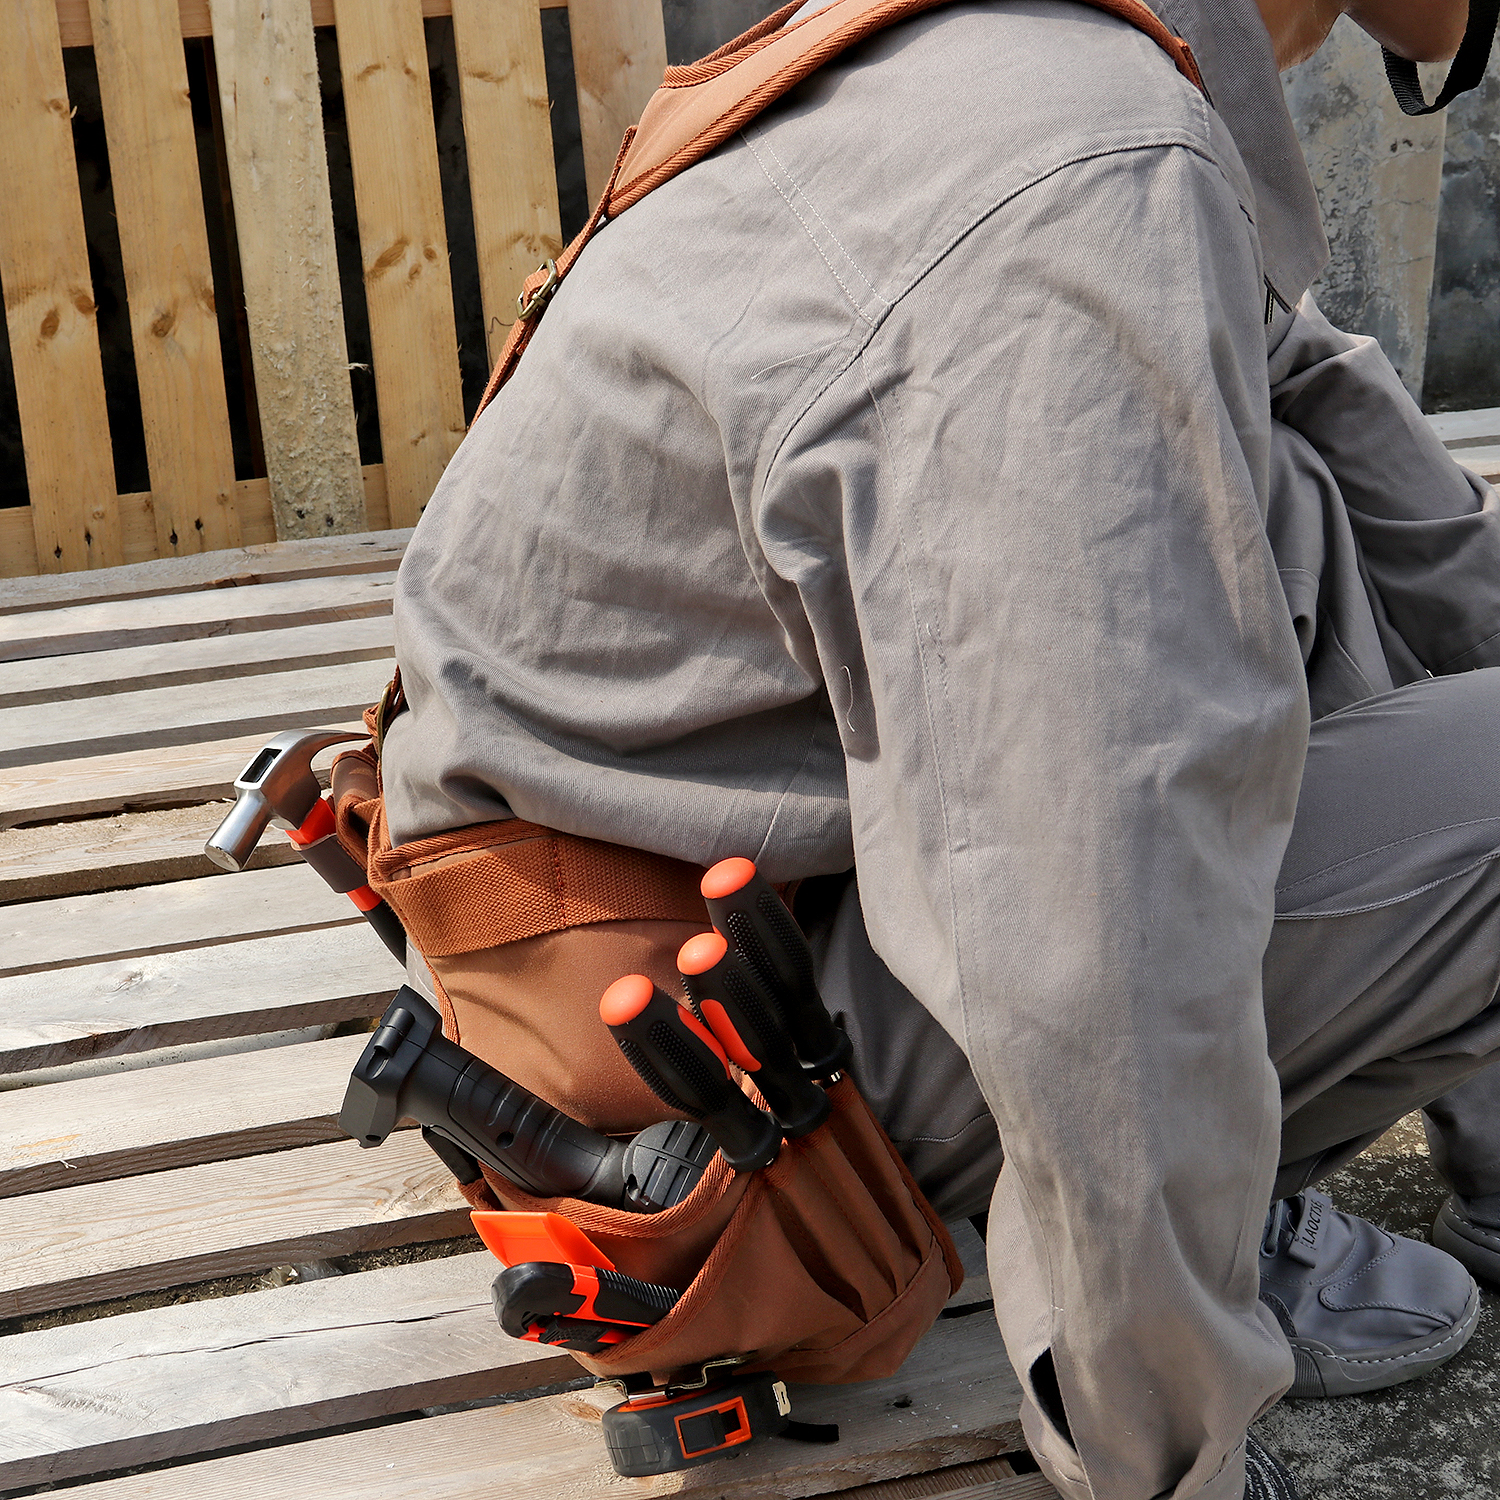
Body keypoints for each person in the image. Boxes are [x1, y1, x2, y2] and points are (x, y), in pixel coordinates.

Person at [380, 1, 1499, 1495]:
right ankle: (1165, 1308)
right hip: (715, 1101)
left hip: (728, 891)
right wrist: (1166, 1446)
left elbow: (1360, 464)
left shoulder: (1042, 51)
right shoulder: (1085, 165)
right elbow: (1095, 935)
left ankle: (1249, 1186)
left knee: (1286, 495)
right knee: (1141, 823)